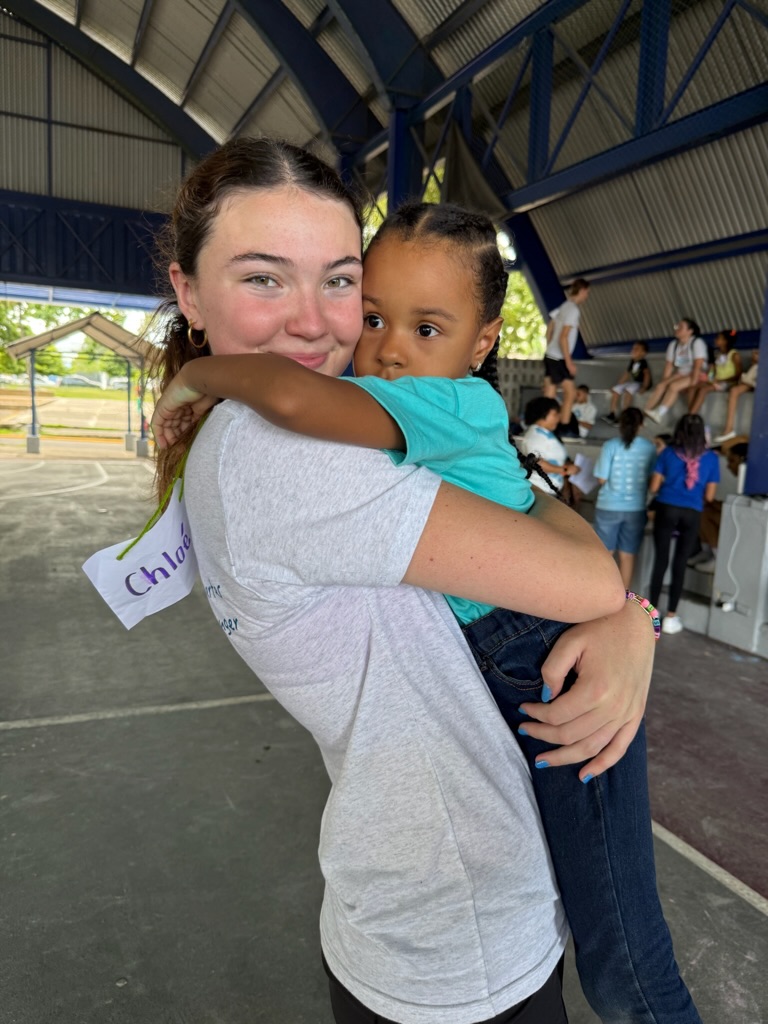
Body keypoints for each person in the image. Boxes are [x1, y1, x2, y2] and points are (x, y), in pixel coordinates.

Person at [154, 192, 701, 1024]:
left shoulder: (445, 404)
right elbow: (534, 506)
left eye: (427, 328)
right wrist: (633, 616)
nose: (390, 350)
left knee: (623, 948)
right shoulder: (367, 420)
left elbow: (296, 400)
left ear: (484, 343)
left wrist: (200, 375)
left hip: (540, 656)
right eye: (373, 317)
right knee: (607, 938)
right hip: (519, 654)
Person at [648, 414, 720, 634]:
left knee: (660, 561)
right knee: (680, 564)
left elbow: (653, 487)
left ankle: (651, 615)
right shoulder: (711, 458)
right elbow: (710, 496)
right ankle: (671, 617)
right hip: (692, 512)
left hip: (666, 508)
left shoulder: (668, 453)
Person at [593, 408, 656, 588]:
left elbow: (601, 479)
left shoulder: (610, 446)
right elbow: (653, 479)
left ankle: (601, 595)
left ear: (620, 424)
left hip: (608, 506)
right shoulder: (650, 448)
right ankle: (624, 598)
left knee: (605, 554)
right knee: (627, 555)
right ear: (641, 425)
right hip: (636, 509)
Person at [688, 436, 749, 573]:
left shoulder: (752, 482)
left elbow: (741, 510)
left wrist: (715, 504)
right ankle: (707, 551)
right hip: (740, 516)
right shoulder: (743, 481)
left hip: (746, 523)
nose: (728, 466)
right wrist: (713, 503)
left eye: (732, 461)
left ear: (742, 461)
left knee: (708, 514)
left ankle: (717, 557)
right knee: (703, 510)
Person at [542, 279, 590, 433]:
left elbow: (550, 327)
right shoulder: (573, 310)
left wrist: (549, 345)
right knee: (570, 393)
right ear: (582, 290)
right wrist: (569, 362)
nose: (587, 296)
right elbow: (563, 337)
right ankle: (562, 426)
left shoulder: (564, 306)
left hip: (551, 355)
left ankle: (545, 426)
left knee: (550, 393)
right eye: (587, 292)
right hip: (559, 358)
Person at [644, 320, 707, 423]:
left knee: (674, 386)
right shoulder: (673, 345)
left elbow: (698, 365)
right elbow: (669, 366)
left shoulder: (696, 343)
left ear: (690, 331)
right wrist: (665, 382)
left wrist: (693, 383)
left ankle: (659, 413)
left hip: (698, 374)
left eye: (681, 327)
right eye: (677, 326)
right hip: (682, 373)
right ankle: (645, 412)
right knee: (660, 386)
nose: (677, 329)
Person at [518, 396, 578, 494]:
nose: (558, 418)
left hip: (548, 490)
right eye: (555, 414)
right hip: (540, 490)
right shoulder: (535, 436)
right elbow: (537, 463)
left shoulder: (546, 433)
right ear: (543, 414)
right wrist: (565, 469)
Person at [688, 329, 742, 415]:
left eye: (718, 338)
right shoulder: (717, 354)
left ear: (725, 341)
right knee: (692, 388)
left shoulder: (734, 355)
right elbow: (713, 371)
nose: (715, 340)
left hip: (728, 383)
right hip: (716, 381)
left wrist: (719, 380)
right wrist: (710, 378)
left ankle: (691, 415)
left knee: (703, 390)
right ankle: (691, 412)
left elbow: (738, 375)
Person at [714, 348, 759, 444]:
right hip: (752, 380)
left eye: (758, 353)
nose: (754, 354)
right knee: (734, 391)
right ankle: (728, 429)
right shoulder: (755, 367)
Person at [601, 341, 652, 423]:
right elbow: (627, 374)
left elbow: (647, 374)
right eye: (633, 349)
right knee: (616, 389)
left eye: (636, 349)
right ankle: (612, 413)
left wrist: (644, 387)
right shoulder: (633, 361)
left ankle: (624, 415)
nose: (633, 350)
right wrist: (618, 385)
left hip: (641, 383)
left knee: (628, 390)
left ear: (643, 353)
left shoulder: (643, 362)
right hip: (635, 382)